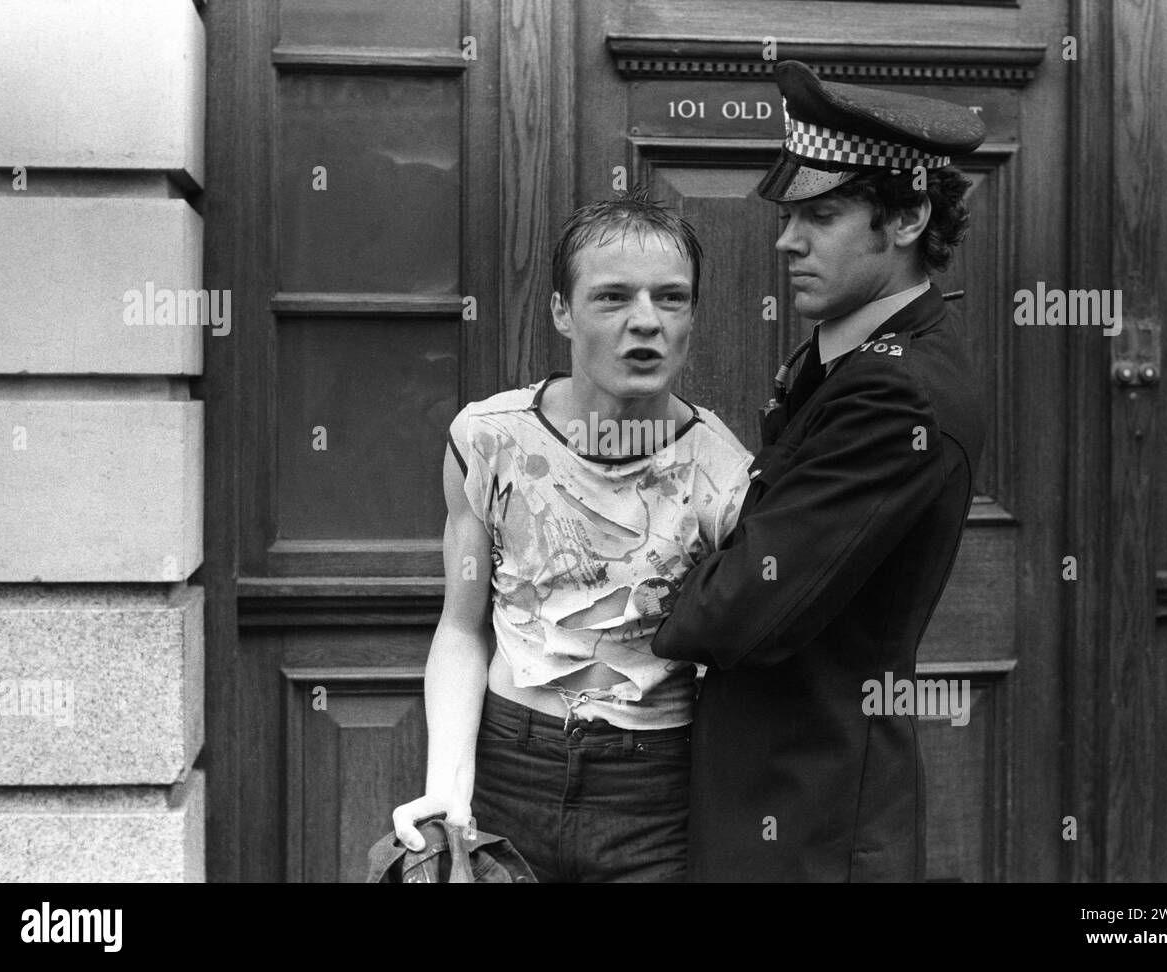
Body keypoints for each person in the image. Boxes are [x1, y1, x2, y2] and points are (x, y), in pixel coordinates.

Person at [650, 60, 989, 881]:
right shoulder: (849, 362)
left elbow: (740, 615)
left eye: (823, 215)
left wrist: (672, 572)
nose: (787, 240)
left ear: (908, 215)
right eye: (790, 215)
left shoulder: (893, 389)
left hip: (808, 825)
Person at [392, 193, 752, 882]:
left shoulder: (725, 473)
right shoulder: (489, 440)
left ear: (692, 317)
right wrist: (447, 789)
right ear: (562, 310)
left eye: (670, 299)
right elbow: (462, 628)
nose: (645, 322)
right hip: (508, 767)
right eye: (612, 297)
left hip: (652, 793)